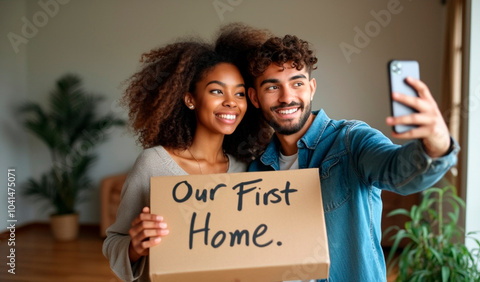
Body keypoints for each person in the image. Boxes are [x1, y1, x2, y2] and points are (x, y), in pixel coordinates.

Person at [245, 34, 459, 281]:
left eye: (297, 83)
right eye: (272, 87)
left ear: (311, 88)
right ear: (254, 98)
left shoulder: (351, 140)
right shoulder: (256, 168)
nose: (286, 97)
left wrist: (437, 143)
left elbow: (399, 172)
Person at [102, 24, 272, 282]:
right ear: (190, 99)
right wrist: (135, 248)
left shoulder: (245, 169)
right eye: (217, 91)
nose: (231, 102)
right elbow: (113, 241)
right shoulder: (153, 163)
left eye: (239, 93)